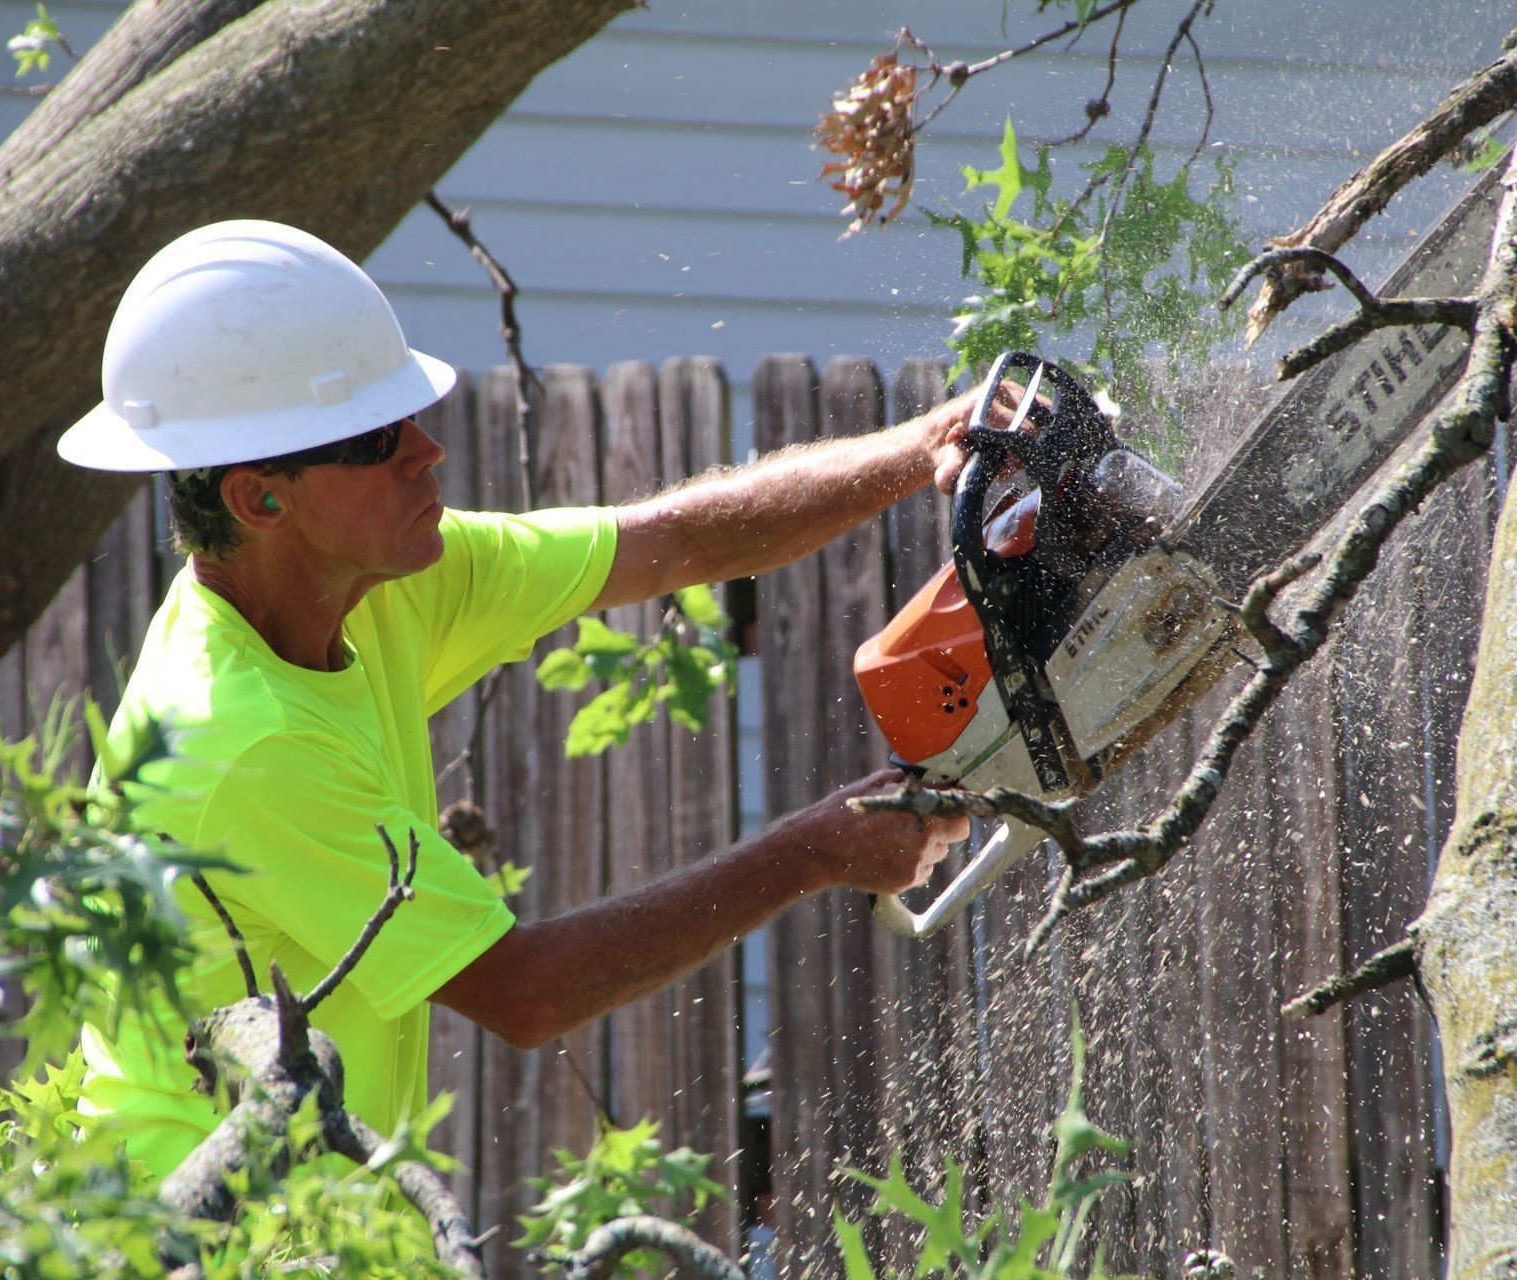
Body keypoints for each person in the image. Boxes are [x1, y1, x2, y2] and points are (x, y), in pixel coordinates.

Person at [56, 219, 981, 1178]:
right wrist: (817, 850)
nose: (427, 452)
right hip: (204, 1234)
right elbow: (525, 992)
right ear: (259, 500)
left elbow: (672, 541)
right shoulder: (243, 742)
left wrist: (925, 446)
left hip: (319, 1206)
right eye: (379, 438)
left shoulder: (374, 583)